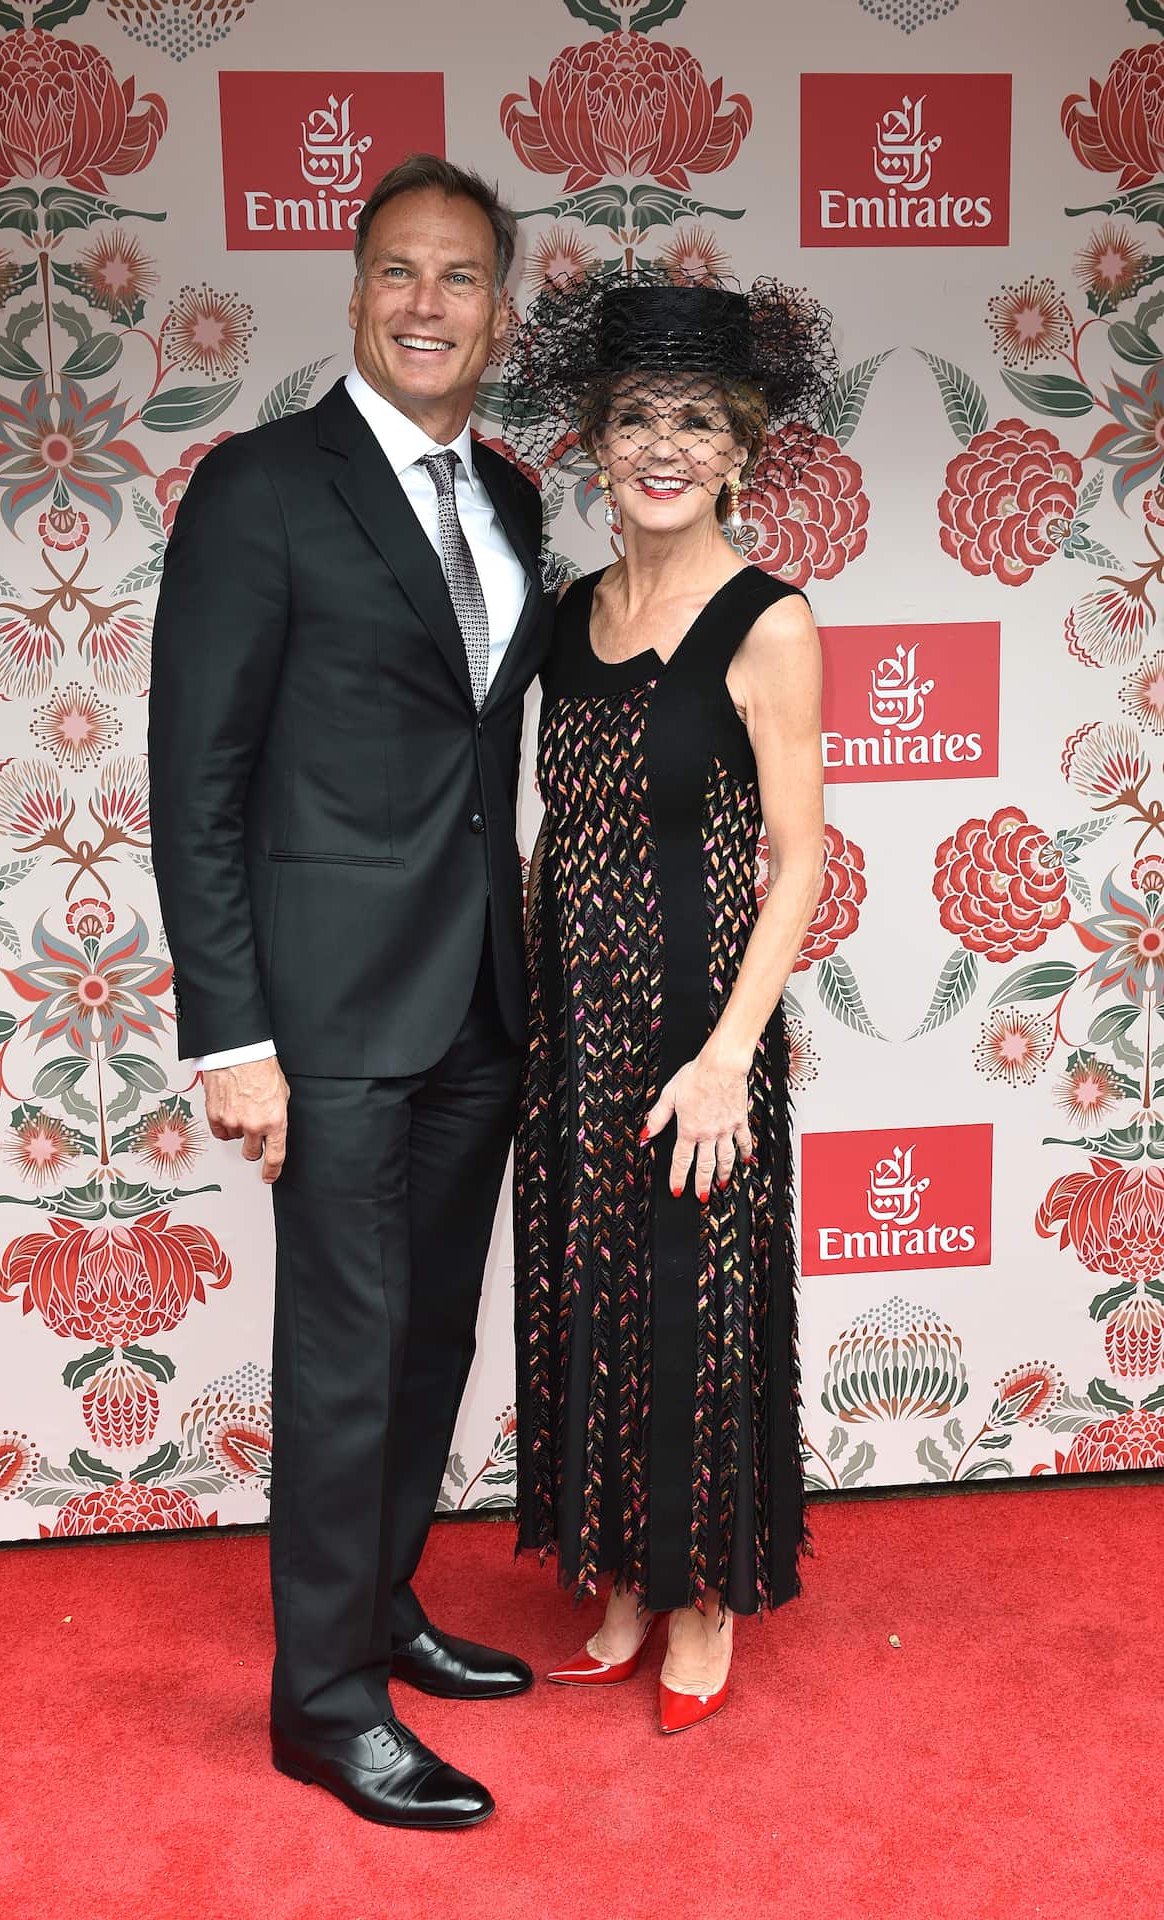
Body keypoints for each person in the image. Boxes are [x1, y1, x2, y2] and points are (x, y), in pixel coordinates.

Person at [148, 154, 550, 1828]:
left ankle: (380, 1611)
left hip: (476, 999)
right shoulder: (263, 487)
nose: (429, 304)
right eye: (400, 271)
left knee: (428, 1342)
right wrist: (232, 1032)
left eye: (461, 277)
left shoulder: (513, 498)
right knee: (339, 1353)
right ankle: (320, 1703)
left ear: (501, 307)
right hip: (319, 1018)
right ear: (357, 287)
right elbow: (199, 779)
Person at [503, 268, 836, 1731]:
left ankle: (700, 1599)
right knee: (594, 1300)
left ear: (740, 448)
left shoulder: (770, 623)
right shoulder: (567, 615)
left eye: (696, 422)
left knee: (692, 1309)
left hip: (705, 1031)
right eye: (637, 416)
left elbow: (802, 859)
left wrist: (727, 1058)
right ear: (595, 436)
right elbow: (556, 831)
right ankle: (622, 1579)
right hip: (574, 1035)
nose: (664, 446)